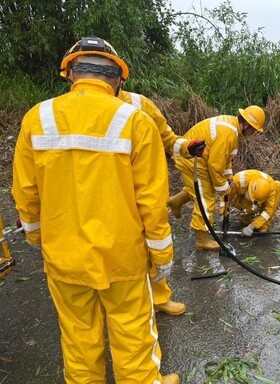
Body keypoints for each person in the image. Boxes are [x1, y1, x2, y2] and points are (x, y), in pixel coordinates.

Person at [12, 36, 180, 384]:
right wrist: (162, 255)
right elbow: (152, 200)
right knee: (133, 339)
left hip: (63, 258)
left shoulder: (37, 118)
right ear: (118, 79)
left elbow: (26, 194)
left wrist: (37, 237)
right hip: (122, 259)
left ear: (71, 73)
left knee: (78, 342)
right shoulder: (135, 121)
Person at [117, 91, 205, 316]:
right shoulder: (67, 110)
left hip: (137, 184)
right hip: (100, 191)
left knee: (148, 239)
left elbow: (167, 137)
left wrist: (187, 147)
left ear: (120, 76)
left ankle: (158, 297)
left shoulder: (138, 103)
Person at [170, 106, 265, 250]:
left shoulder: (233, 130)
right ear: (246, 124)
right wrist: (224, 189)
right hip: (192, 158)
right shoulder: (229, 133)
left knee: (202, 191)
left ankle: (175, 201)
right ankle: (202, 240)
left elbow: (225, 159)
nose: (254, 133)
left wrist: (229, 178)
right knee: (206, 198)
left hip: (197, 158)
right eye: (254, 130)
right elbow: (215, 166)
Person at [221, 169, 280, 236]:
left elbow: (268, 211)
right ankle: (245, 218)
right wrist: (223, 211)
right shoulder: (238, 181)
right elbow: (226, 195)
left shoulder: (270, 188)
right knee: (247, 212)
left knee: (263, 229)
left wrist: (252, 226)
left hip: (266, 192)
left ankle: (262, 224)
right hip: (241, 198)